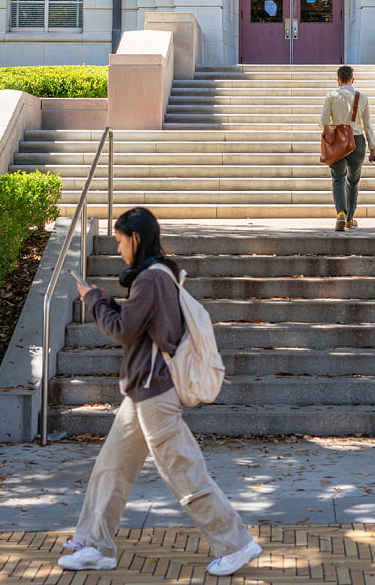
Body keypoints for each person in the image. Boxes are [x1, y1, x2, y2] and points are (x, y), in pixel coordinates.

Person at [60, 206, 262, 577]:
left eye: (121, 242)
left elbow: (122, 330)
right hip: (140, 392)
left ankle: (236, 544)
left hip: (154, 393)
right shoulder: (156, 277)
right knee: (112, 468)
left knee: (184, 471)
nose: (119, 250)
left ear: (136, 238)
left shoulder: (152, 280)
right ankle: (95, 545)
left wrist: (95, 300)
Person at [319, 64, 375, 231]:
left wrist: (336, 124)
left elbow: (323, 122)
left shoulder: (331, 96)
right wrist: (373, 148)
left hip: (337, 142)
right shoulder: (362, 98)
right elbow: (368, 126)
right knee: (353, 181)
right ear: (352, 80)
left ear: (338, 80)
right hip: (357, 142)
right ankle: (350, 219)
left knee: (338, 179)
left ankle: (341, 214)